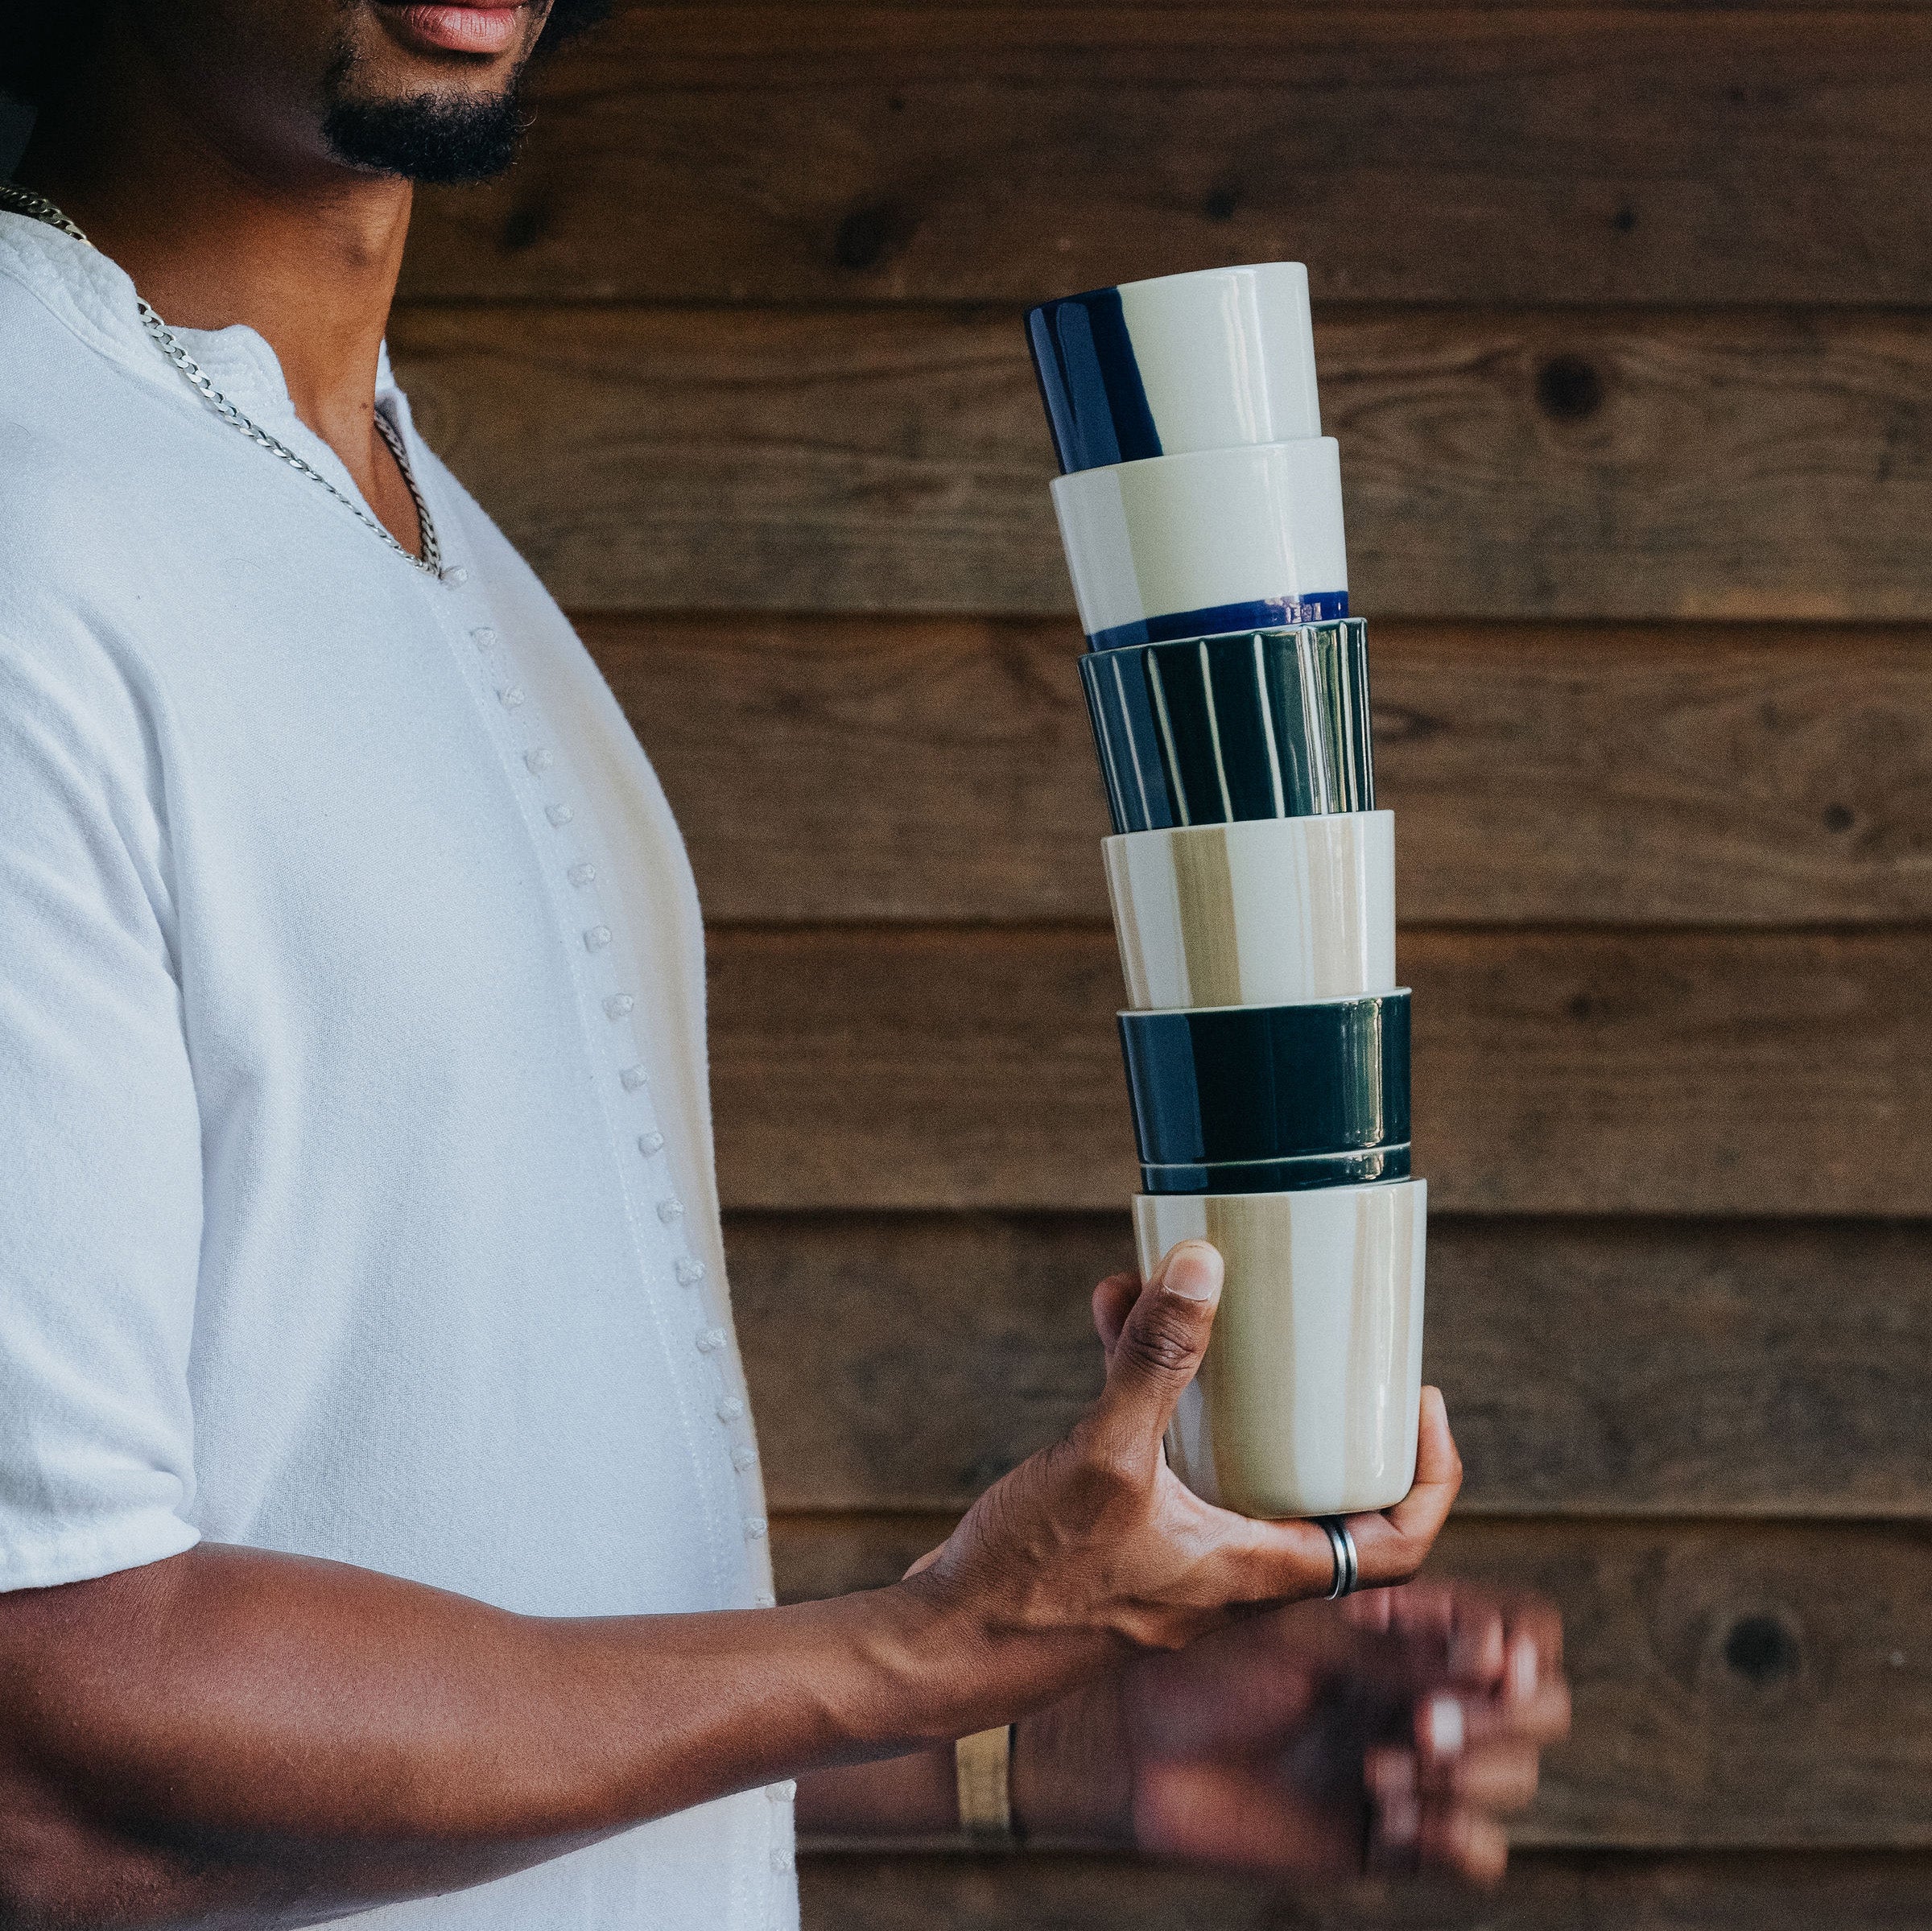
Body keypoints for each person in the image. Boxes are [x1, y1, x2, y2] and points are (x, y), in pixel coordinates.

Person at [0, 4, 1571, 1925]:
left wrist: (1018, 1745)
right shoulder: (35, 506)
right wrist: (927, 1646)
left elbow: (423, 1530)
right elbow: (44, 1770)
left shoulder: (412, 531)